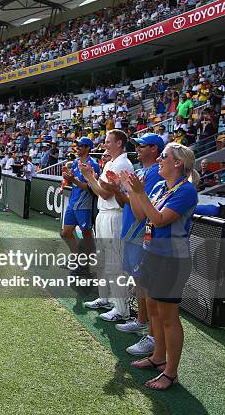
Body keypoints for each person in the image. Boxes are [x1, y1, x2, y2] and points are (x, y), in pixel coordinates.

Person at [121, 143, 199, 391]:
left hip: (171, 261)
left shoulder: (186, 191)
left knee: (168, 317)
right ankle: (157, 357)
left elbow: (160, 219)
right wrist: (133, 191)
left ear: (178, 163)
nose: (159, 161)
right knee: (154, 309)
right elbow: (141, 216)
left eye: (163, 157)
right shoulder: (157, 186)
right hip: (151, 254)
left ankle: (171, 372)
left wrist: (139, 192)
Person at [104, 133, 164, 357]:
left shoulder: (156, 172)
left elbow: (143, 207)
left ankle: (150, 330)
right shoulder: (139, 171)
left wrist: (127, 190)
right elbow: (127, 201)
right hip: (130, 228)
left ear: (154, 149)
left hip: (141, 231)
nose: (137, 148)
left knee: (145, 283)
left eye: (143, 146)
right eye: (137, 145)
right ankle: (140, 320)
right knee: (138, 280)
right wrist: (119, 189)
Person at [80, 129, 134, 322]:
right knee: (102, 260)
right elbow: (100, 191)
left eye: (108, 141)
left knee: (114, 264)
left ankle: (121, 309)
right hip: (103, 214)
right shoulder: (112, 162)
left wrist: (89, 177)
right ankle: (105, 298)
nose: (105, 144)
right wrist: (92, 180)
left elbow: (104, 193)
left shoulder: (122, 163)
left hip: (114, 215)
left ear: (119, 143)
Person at [60, 137, 100, 275]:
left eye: (81, 146)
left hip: (85, 204)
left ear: (88, 148)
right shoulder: (76, 162)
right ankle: (76, 258)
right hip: (73, 202)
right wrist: (68, 179)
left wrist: (73, 181)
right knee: (66, 232)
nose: (78, 148)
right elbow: (74, 181)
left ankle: (85, 265)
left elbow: (91, 188)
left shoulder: (93, 164)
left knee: (87, 234)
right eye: (77, 146)